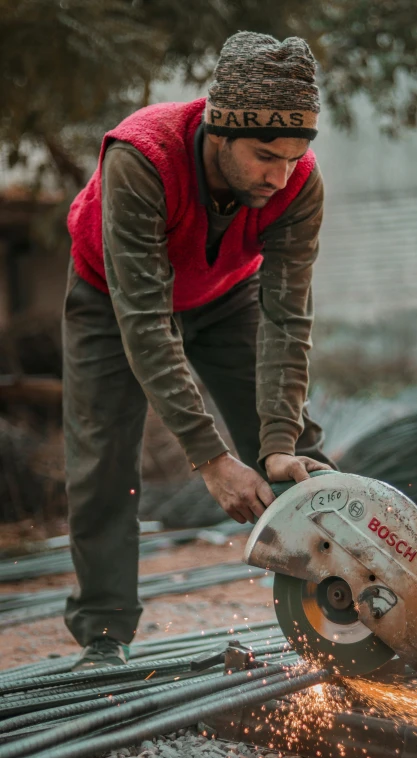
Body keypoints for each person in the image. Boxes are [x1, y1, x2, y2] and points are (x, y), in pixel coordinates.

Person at [63, 31, 336, 670]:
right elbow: (145, 321)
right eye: (266, 155)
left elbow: (288, 320)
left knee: (296, 450)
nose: (280, 174)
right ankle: (105, 635)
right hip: (112, 297)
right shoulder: (142, 157)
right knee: (102, 456)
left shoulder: (298, 184)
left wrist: (272, 445)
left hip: (225, 295)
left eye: (294, 156)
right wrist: (212, 459)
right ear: (218, 131)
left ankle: (347, 595)